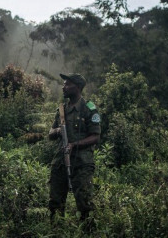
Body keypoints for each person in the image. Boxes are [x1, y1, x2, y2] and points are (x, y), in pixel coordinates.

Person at [48, 73, 101, 224]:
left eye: (67, 84)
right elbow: (50, 133)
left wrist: (74, 145)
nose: (63, 87)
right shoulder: (61, 110)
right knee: (55, 202)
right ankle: (56, 231)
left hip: (82, 162)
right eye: (63, 84)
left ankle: (88, 232)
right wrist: (58, 131)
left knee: (85, 203)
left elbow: (95, 136)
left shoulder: (89, 109)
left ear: (77, 88)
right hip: (60, 161)